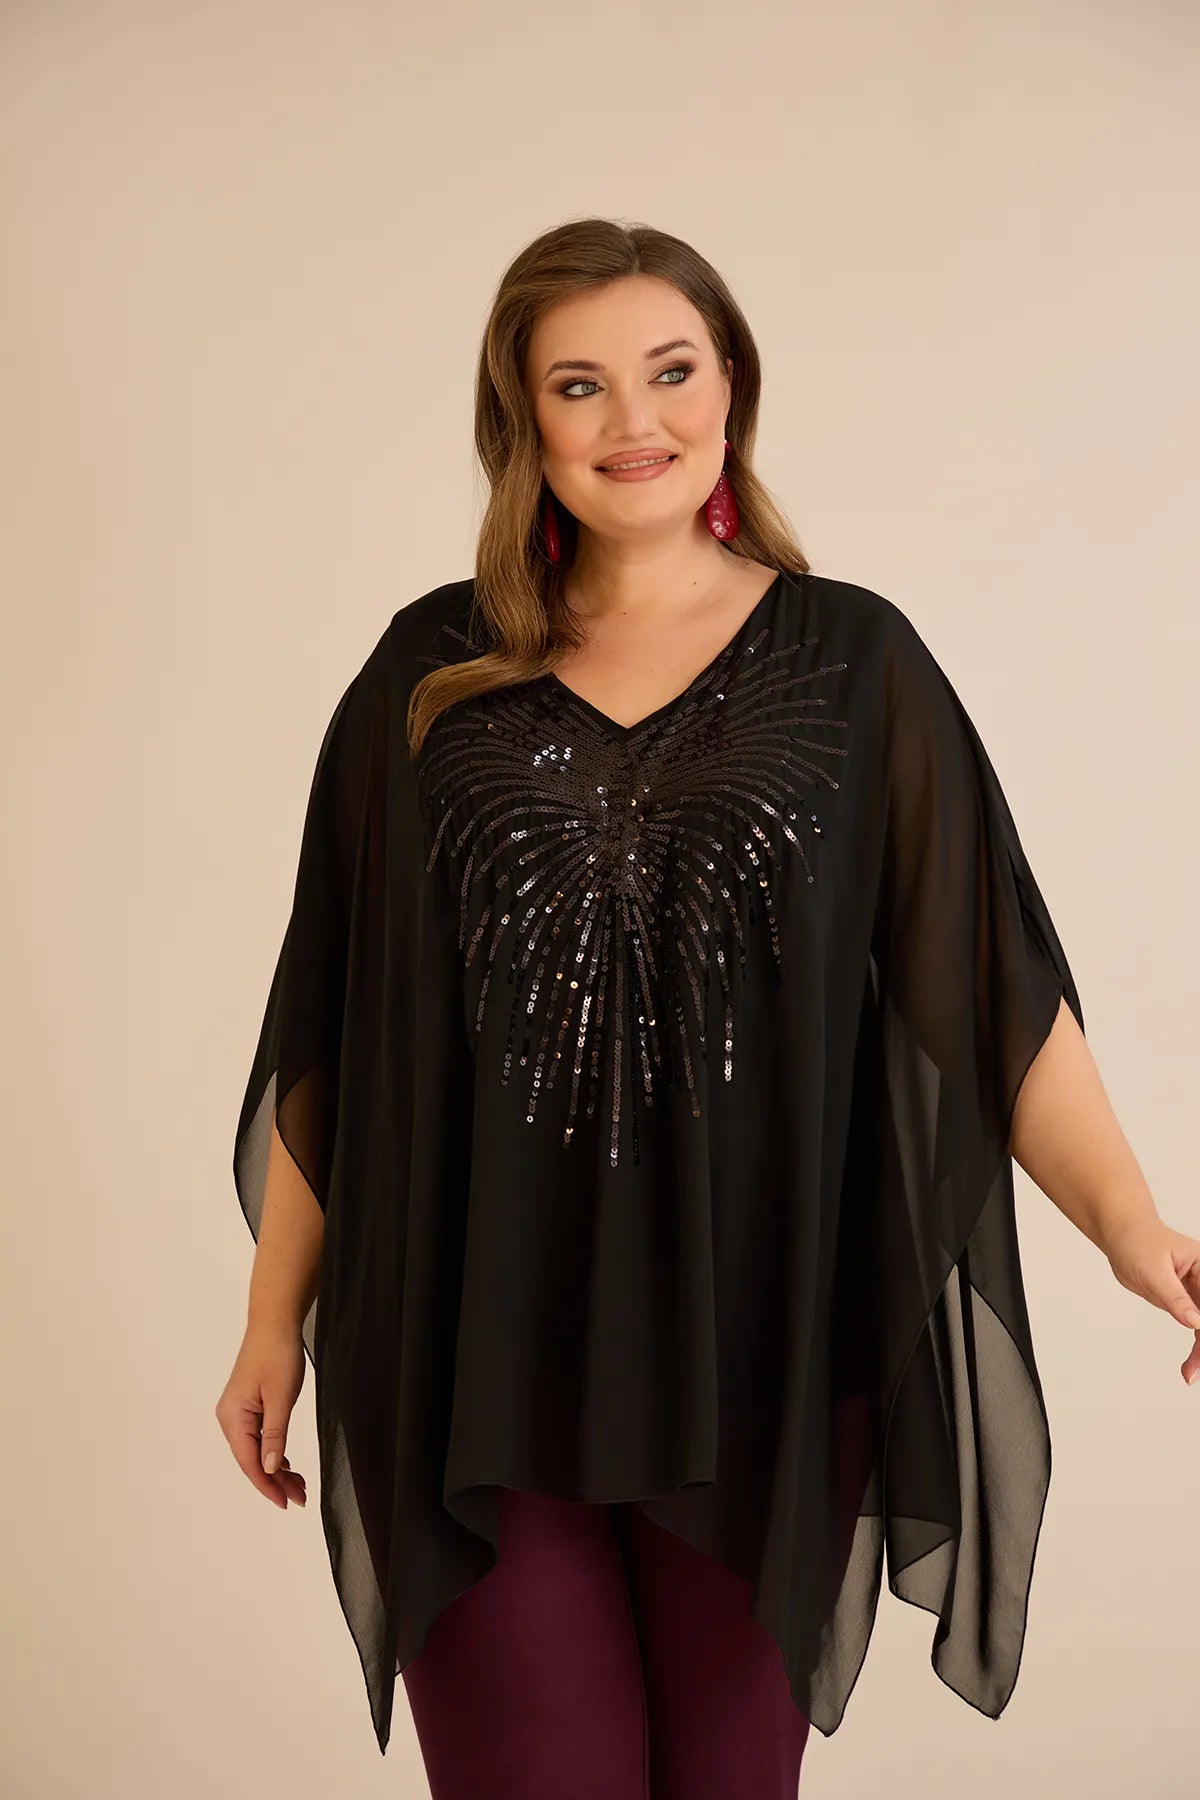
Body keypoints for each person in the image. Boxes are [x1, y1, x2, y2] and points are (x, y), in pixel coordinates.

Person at [215, 218, 1200, 1796]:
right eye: (580, 385)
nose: (635, 421)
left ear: (732, 385)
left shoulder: (856, 662)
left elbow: (988, 992)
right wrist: (274, 1320)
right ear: (523, 417)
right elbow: (332, 1025)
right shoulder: (428, 674)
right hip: (473, 1350)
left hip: (766, 1352)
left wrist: (1133, 1228)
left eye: (670, 371)